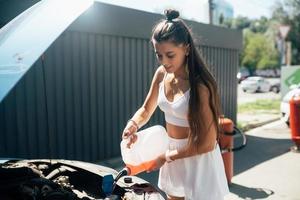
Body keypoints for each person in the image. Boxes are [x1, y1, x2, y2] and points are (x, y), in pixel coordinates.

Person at [122, 9, 229, 200]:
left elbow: (206, 143)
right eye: (159, 55)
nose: (164, 62)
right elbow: (147, 109)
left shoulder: (201, 86)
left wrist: (166, 157)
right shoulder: (161, 74)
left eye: (170, 55)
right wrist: (133, 124)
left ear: (186, 49)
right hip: (173, 156)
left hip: (198, 160)